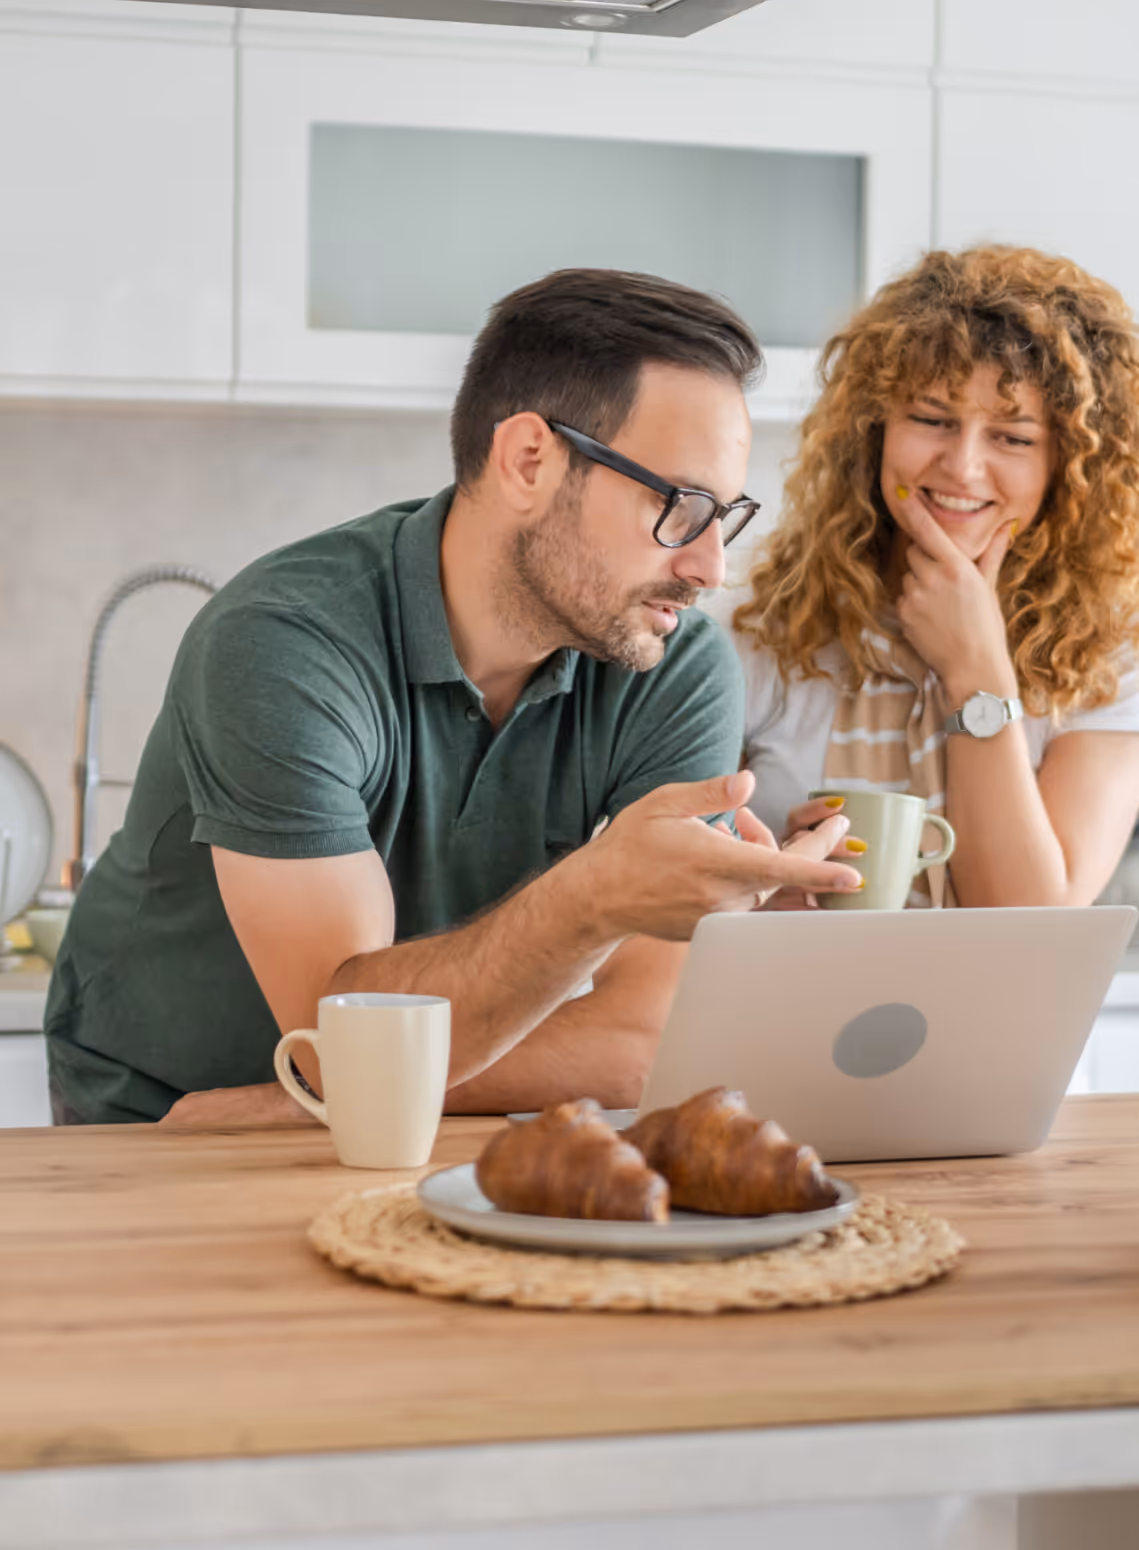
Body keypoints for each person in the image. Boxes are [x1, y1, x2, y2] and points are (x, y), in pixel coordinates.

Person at [45, 269, 862, 1127]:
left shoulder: (672, 660)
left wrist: (283, 1105)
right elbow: (338, 1039)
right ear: (528, 461)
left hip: (300, 1113)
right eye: (678, 505)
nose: (708, 567)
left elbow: (638, 1043)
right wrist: (593, 896)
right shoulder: (283, 642)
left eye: (723, 515)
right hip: (159, 1123)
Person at [729, 244, 1139, 910]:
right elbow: (670, 900)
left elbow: (1032, 923)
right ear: (873, 430)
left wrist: (977, 671)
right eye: (931, 420)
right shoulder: (759, 623)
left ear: (1069, 465)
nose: (963, 468)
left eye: (1013, 437)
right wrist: (769, 890)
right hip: (783, 1012)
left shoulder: (1120, 651)